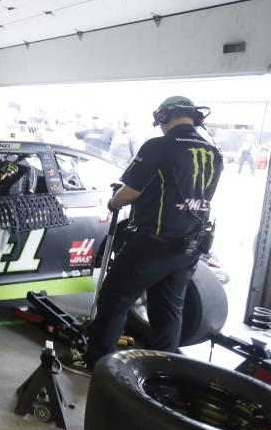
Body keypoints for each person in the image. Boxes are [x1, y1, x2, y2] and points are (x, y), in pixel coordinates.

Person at [83, 96, 223, 370]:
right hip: (191, 245)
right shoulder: (213, 151)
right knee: (168, 310)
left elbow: (131, 191)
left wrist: (114, 201)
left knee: (115, 296)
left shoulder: (159, 146)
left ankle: (97, 364)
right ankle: (161, 375)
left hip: (154, 240)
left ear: (163, 117)